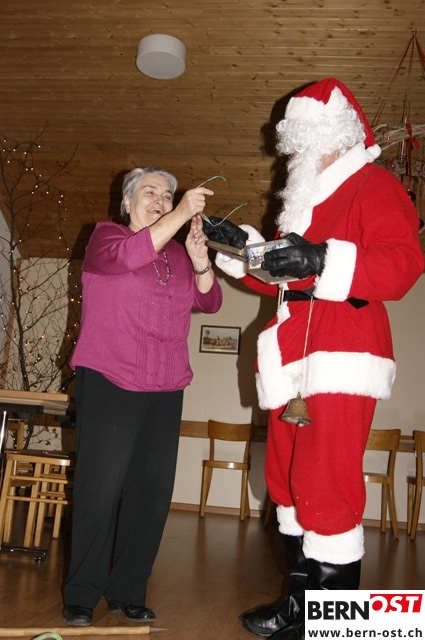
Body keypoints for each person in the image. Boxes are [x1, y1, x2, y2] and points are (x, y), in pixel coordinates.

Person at [203, 78, 424, 640]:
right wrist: (239, 248)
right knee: (287, 482)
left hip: (343, 350)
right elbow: (281, 275)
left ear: (341, 137)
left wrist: (323, 257)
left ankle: (332, 625)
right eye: (297, 143)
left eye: (313, 142)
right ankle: (300, 607)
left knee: (325, 483)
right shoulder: (302, 205)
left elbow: (402, 265)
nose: (303, 154)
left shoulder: (374, 186)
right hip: (291, 355)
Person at [62, 166, 223, 626]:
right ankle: (81, 593)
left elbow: (210, 302)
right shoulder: (106, 238)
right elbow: (130, 256)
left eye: (168, 195)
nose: (160, 199)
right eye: (149, 191)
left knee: (151, 493)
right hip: (110, 377)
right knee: (99, 489)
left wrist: (199, 260)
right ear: (127, 201)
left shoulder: (175, 253)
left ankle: (127, 590)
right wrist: (181, 214)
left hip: (166, 384)